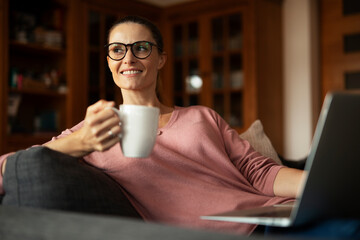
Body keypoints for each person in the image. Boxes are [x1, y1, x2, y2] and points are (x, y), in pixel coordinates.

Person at [0, 15, 305, 236]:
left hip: (276, 216)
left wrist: (319, 184)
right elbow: (12, 169)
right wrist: (80, 142)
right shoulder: (94, 129)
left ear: (160, 59)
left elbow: (260, 173)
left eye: (141, 47)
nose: (128, 57)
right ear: (108, 61)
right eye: (117, 50)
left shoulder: (202, 116)